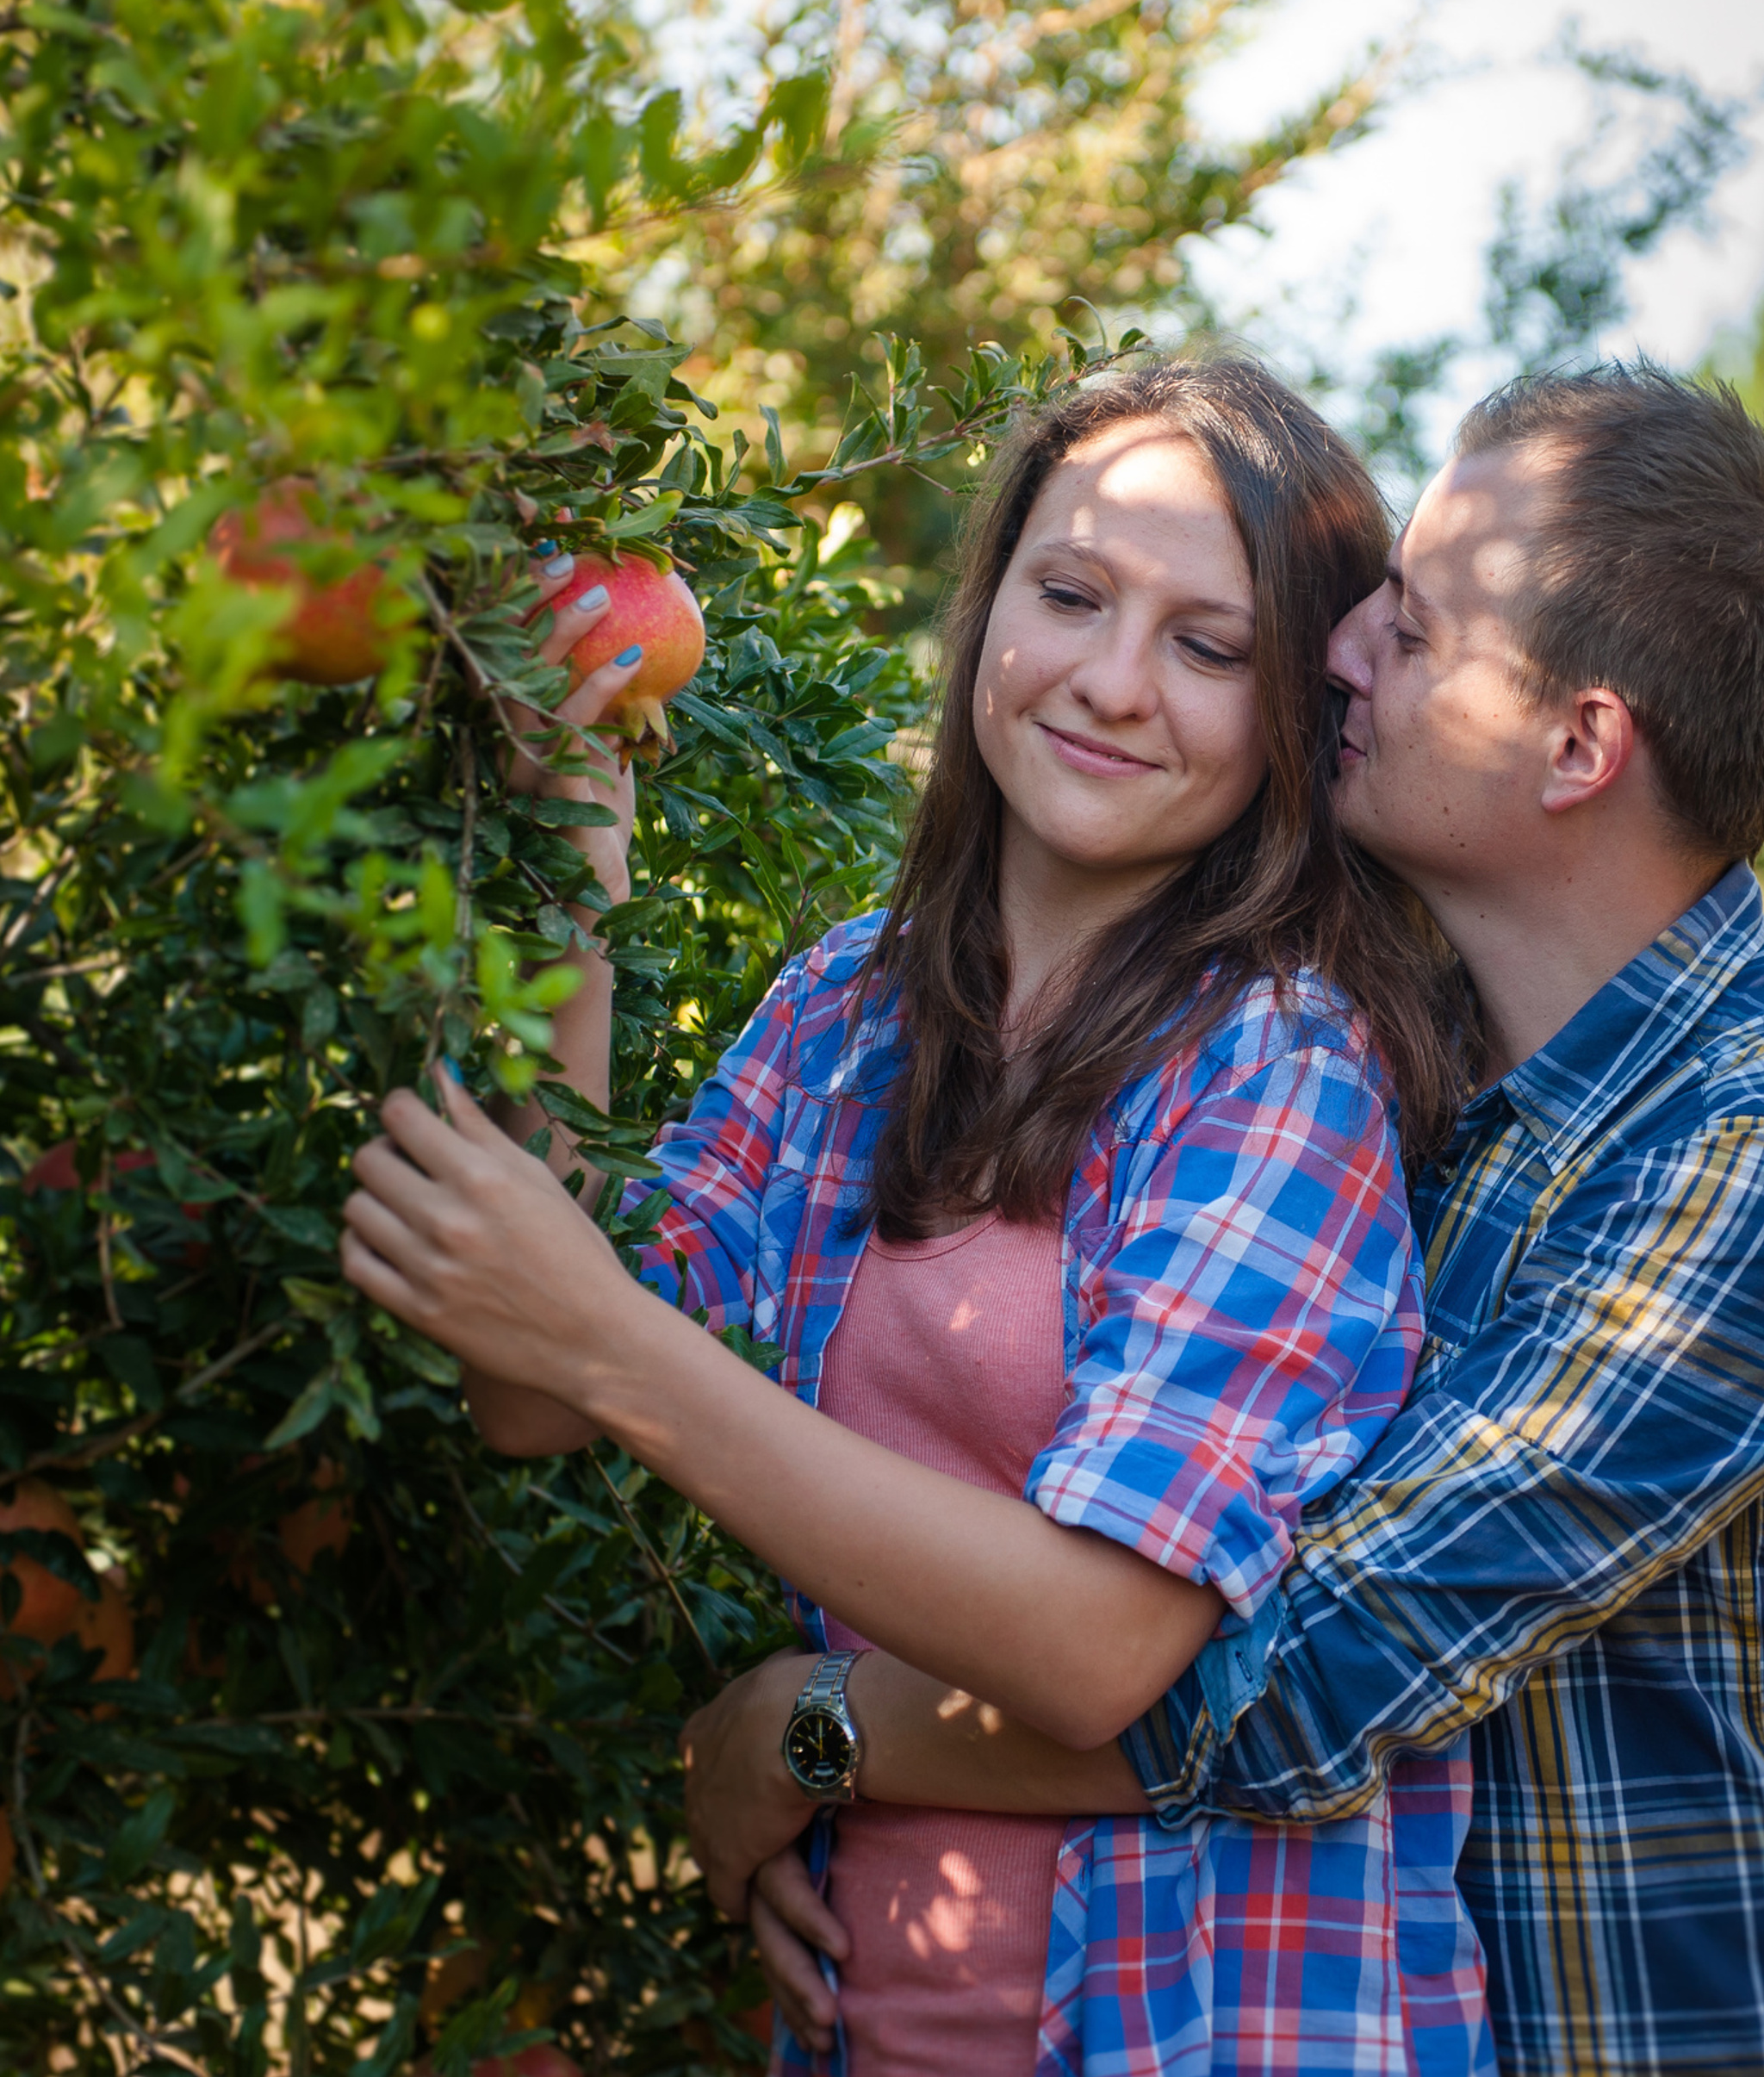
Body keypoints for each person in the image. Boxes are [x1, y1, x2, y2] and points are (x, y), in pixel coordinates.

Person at [696, 364, 1764, 2076]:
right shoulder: (1449, 1076)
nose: (1338, 651)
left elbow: (1298, 1671)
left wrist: (809, 1728)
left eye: (1409, 629)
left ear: (1573, 745)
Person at [339, 355, 1496, 2075]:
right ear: (988, 609)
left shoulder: (1273, 1066)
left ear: (1287, 713)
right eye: (1070, 593)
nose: (1110, 681)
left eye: (1206, 644)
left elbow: (1098, 1639)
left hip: (1189, 2018)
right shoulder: (846, 1015)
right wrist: (573, 881)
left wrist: (616, 1363)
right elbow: (528, 1388)